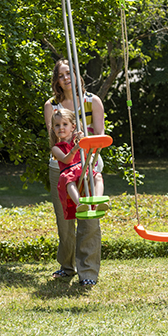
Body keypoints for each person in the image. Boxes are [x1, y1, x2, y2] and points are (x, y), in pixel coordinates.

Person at [44, 59, 105, 287]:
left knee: (88, 219)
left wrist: (84, 143)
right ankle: (67, 266)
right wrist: (71, 141)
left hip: (88, 162)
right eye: (61, 75)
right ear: (56, 80)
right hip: (60, 167)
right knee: (65, 220)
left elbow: (100, 135)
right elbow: (54, 138)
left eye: (69, 73)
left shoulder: (92, 101)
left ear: (78, 75)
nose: (66, 78)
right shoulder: (52, 105)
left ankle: (88, 271)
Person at [50, 108, 108, 220]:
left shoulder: (78, 141)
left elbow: (88, 154)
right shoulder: (56, 148)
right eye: (57, 125)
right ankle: (80, 204)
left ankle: (97, 201)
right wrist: (75, 149)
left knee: (98, 176)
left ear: (73, 127)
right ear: (53, 129)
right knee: (68, 181)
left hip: (83, 170)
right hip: (69, 173)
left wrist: (83, 141)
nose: (61, 127)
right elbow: (66, 160)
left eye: (65, 124)